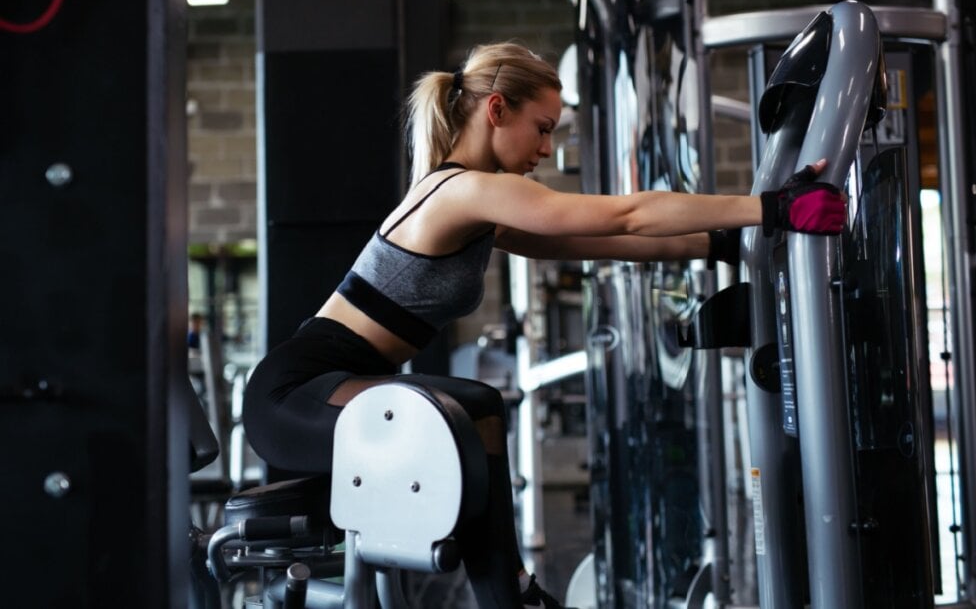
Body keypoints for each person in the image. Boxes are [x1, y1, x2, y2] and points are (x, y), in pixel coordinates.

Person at [242, 42, 845, 609]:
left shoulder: (473, 203)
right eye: (544, 128)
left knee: (473, 409)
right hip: (295, 395)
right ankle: (513, 593)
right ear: (497, 110)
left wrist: (718, 242)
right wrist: (772, 206)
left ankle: (512, 592)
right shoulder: (463, 191)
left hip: (333, 387)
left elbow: (602, 240)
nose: (547, 150)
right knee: (472, 407)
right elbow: (628, 213)